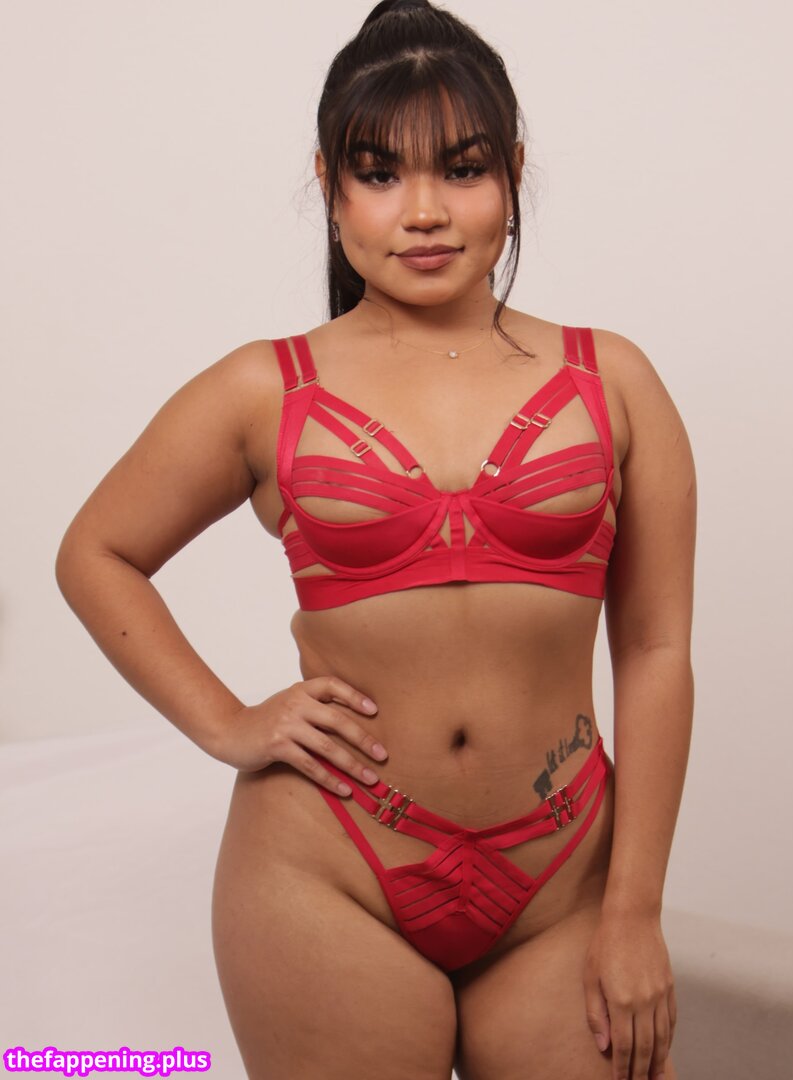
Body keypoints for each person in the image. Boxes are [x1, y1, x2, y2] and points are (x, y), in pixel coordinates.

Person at [54, 1, 696, 1077]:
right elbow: (95, 553)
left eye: (463, 168)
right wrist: (227, 723)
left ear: (515, 174)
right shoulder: (264, 389)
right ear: (329, 185)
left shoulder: (614, 380)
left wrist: (635, 910)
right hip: (326, 873)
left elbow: (655, 648)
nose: (425, 212)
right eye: (380, 173)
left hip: (566, 878)